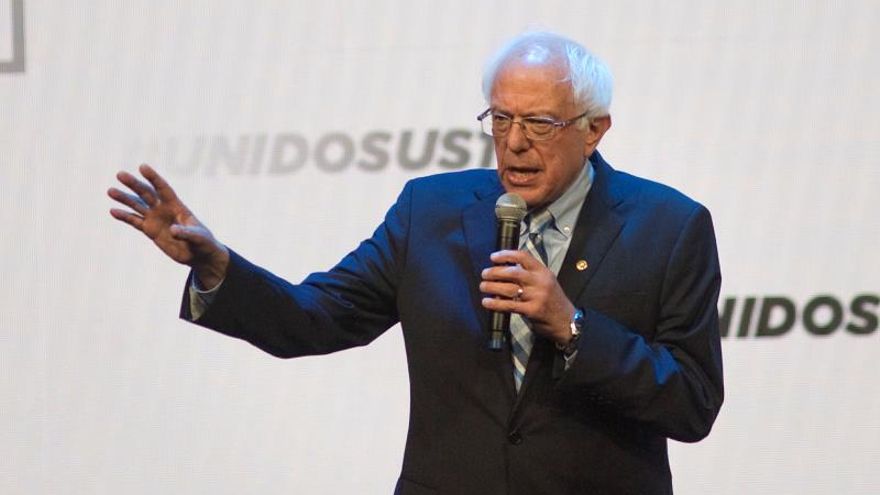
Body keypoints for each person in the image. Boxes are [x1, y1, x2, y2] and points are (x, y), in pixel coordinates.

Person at [109, 31, 723, 495]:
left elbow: (692, 404)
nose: (513, 143)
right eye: (500, 118)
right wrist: (219, 267)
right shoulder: (430, 212)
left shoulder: (668, 227)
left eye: (539, 122)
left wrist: (573, 329)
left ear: (594, 130)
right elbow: (316, 317)